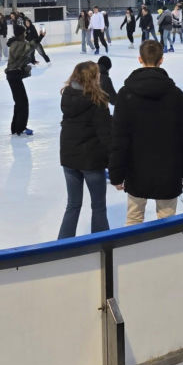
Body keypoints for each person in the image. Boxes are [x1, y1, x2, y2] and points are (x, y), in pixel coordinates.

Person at [109, 39, 183, 225]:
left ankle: (133, 254)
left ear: (140, 59)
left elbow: (118, 138)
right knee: (166, 223)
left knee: (134, 218)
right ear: (161, 60)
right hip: (169, 172)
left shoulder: (125, 95)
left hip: (136, 172)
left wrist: (116, 173)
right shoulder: (176, 94)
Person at [57, 61, 112, 238]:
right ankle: (101, 243)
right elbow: (105, 135)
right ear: (94, 77)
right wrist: (113, 162)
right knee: (98, 206)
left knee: (73, 204)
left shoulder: (67, 95)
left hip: (69, 157)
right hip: (91, 160)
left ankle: (62, 247)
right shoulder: (98, 100)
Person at [5, 25, 35, 136]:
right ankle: (20, 128)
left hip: (12, 75)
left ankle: (16, 128)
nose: (26, 34)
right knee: (23, 103)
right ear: (21, 34)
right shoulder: (18, 44)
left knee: (19, 103)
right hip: (14, 75)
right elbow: (28, 49)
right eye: (25, 33)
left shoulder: (16, 43)